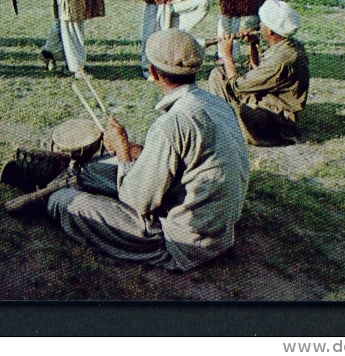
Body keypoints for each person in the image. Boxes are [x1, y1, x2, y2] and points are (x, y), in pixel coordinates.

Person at [45, 29, 249, 271]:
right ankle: (69, 176)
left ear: (153, 72)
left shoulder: (172, 123)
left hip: (185, 241)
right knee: (87, 172)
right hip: (220, 229)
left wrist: (122, 152)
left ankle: (54, 188)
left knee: (62, 201)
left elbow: (136, 201)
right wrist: (131, 150)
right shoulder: (217, 103)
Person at [207, 0, 310, 146]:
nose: (260, 26)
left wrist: (227, 55)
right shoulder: (289, 46)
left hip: (274, 122)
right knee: (223, 75)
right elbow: (260, 73)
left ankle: (222, 127)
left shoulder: (283, 58)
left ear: (270, 30)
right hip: (271, 107)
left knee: (217, 75)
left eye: (262, 23)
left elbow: (238, 86)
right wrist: (253, 44)